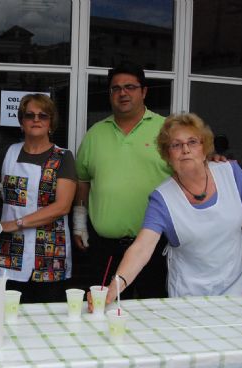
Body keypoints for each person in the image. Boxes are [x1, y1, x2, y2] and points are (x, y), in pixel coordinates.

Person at [106, 113, 242, 303]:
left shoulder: (231, 172)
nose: (185, 149)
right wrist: (114, 288)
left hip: (241, 286)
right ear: (167, 155)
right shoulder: (162, 198)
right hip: (190, 296)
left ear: (204, 148)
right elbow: (142, 248)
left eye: (192, 142)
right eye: (176, 145)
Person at [74, 62, 170, 299]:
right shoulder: (95, 133)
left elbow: (190, 169)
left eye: (130, 87)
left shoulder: (167, 130)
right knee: (103, 308)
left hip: (154, 246)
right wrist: (79, 222)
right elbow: (83, 180)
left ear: (144, 91)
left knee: (152, 310)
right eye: (115, 88)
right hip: (105, 247)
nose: (122, 93)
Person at [0, 94, 77, 303]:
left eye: (43, 115)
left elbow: (62, 206)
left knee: (47, 319)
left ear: (51, 122)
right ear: (21, 122)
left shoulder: (63, 157)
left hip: (49, 255)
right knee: (6, 313)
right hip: (10, 252)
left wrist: (15, 224)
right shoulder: (8, 153)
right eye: (30, 115)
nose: (36, 120)